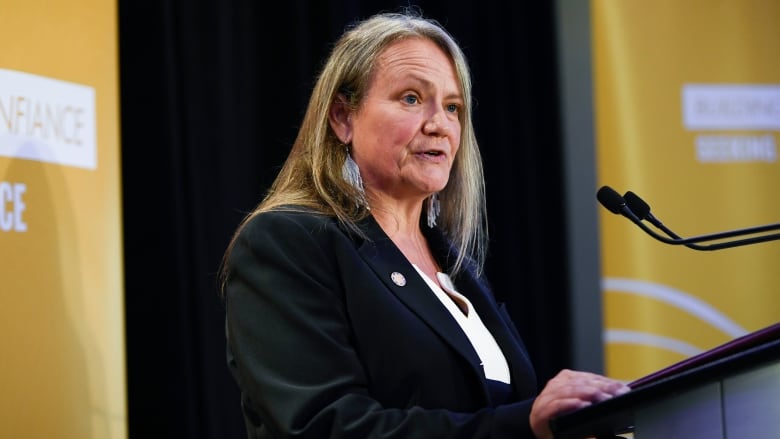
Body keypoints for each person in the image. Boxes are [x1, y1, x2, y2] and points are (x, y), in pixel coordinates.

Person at [220, 9, 630, 439]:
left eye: (452, 107)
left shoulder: (452, 264)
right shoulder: (288, 242)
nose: (439, 125)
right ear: (343, 118)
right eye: (411, 98)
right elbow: (322, 425)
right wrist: (523, 425)